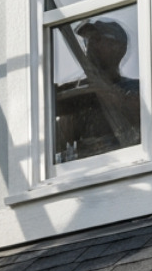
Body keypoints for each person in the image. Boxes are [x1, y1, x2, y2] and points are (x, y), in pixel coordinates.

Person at [52, 17, 140, 163]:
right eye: (89, 39)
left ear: (117, 48)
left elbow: (139, 115)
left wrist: (105, 93)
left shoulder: (134, 89)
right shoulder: (78, 93)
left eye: (98, 39)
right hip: (84, 171)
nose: (90, 44)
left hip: (123, 167)